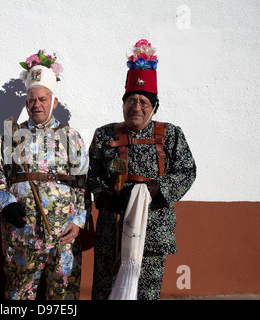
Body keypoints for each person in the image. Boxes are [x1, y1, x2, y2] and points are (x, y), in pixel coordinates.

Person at [87, 39, 196, 300]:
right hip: (112, 229)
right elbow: (90, 173)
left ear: (154, 106)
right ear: (123, 103)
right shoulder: (104, 135)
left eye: (143, 102)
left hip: (152, 231)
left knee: (146, 294)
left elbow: (187, 171)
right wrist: (102, 193)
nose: (136, 107)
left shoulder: (171, 135)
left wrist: (157, 188)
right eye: (131, 100)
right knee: (105, 290)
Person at [0, 50, 89, 300]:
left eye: (42, 99)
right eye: (32, 100)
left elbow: (83, 182)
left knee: (62, 295)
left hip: (63, 234)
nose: (36, 104)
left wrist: (78, 221)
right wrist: (6, 203)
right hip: (22, 235)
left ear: (53, 101)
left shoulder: (71, 137)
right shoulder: (10, 136)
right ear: (26, 103)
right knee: (18, 294)